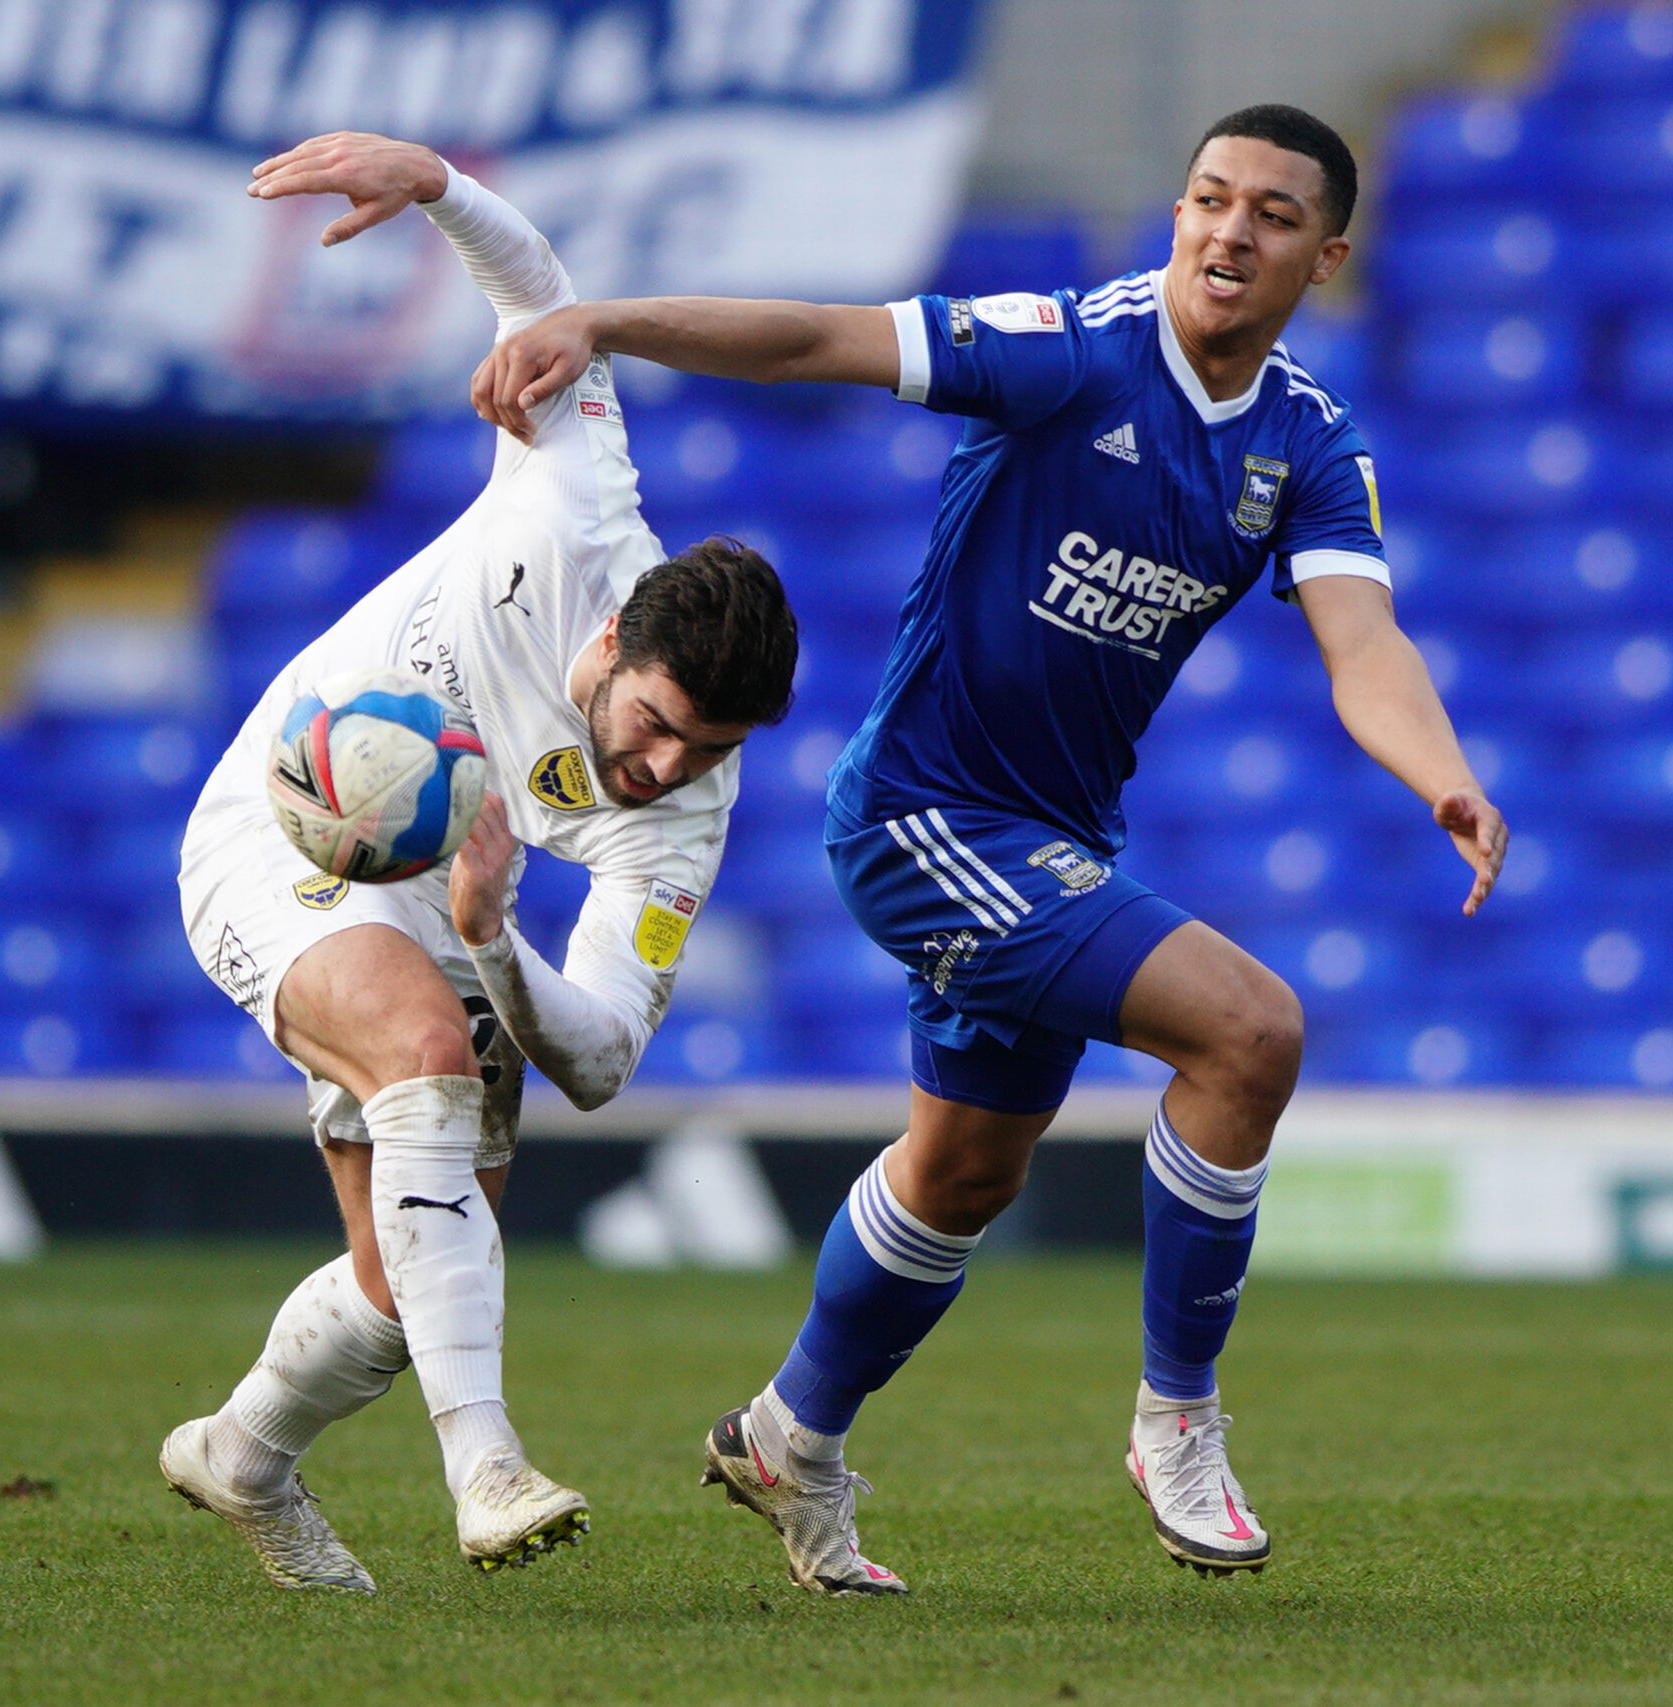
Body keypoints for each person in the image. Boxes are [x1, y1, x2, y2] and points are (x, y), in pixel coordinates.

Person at [472, 104, 1509, 1594]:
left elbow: (1366, 640)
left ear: (1325, 255)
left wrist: (1444, 774)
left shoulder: (1308, 441)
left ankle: (787, 1438)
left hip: (1055, 834)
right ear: (1177, 211)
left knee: (961, 1173)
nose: (1230, 232)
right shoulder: (1066, 349)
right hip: (926, 815)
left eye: (1272, 216)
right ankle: (1179, 1418)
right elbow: (814, 343)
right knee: (1250, 1032)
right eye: (1208, 198)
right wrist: (605, 321)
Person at [161, 133, 798, 1591]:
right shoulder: (575, 506)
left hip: (459, 906)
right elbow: (539, 289)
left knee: (400, 1295)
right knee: (423, 1054)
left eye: (707, 751)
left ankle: (242, 1456)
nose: (665, 770)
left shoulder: (683, 816)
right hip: (281, 828)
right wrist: (435, 185)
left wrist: (496, 937)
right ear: (620, 637)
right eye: (658, 729)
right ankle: (487, 1466)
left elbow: (604, 1059)